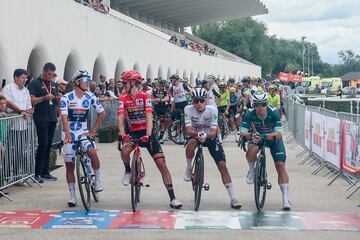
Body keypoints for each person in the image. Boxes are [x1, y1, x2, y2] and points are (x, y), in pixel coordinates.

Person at [117, 70, 183, 209]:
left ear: (133, 82)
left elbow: (148, 116)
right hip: (133, 132)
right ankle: (128, 171)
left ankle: (173, 197)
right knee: (124, 149)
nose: (123, 85)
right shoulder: (123, 98)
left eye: (125, 82)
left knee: (161, 164)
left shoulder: (145, 96)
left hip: (147, 131)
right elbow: (120, 118)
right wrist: (122, 133)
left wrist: (148, 134)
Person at [183, 88, 242, 209]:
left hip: (209, 136)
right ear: (192, 102)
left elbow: (214, 132)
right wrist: (198, 135)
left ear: (205, 101)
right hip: (195, 135)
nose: (199, 103)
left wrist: (206, 135)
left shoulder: (213, 110)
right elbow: (188, 131)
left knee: (222, 166)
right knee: (190, 145)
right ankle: (189, 169)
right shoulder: (188, 109)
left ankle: (233, 197)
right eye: (196, 101)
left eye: (201, 101)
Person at [60, 69, 106, 207]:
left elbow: (102, 113)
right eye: (85, 81)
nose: (88, 83)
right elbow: (64, 116)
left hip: (83, 132)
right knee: (69, 165)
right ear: (77, 82)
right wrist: (67, 135)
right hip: (69, 133)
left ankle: (97, 180)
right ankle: (72, 195)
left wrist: (92, 131)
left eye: (89, 80)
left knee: (92, 153)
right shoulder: (66, 98)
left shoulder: (90, 97)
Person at [240, 91, 291, 210]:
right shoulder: (249, 113)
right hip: (257, 137)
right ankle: (252, 171)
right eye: (257, 105)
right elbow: (243, 132)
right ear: (253, 105)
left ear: (266, 104)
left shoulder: (274, 112)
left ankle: (285, 198)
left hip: (273, 139)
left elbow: (278, 134)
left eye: (263, 104)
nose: (260, 108)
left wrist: (262, 136)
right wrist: (251, 136)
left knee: (280, 165)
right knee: (251, 148)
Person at [27, 62, 60, 182]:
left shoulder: (53, 84)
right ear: (44, 71)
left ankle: (46, 172)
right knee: (43, 145)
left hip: (52, 118)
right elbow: (31, 100)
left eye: (53, 74)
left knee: (49, 146)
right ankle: (38, 173)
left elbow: (56, 99)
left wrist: (58, 98)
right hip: (41, 118)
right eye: (49, 73)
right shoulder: (34, 84)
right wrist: (44, 98)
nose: (51, 76)